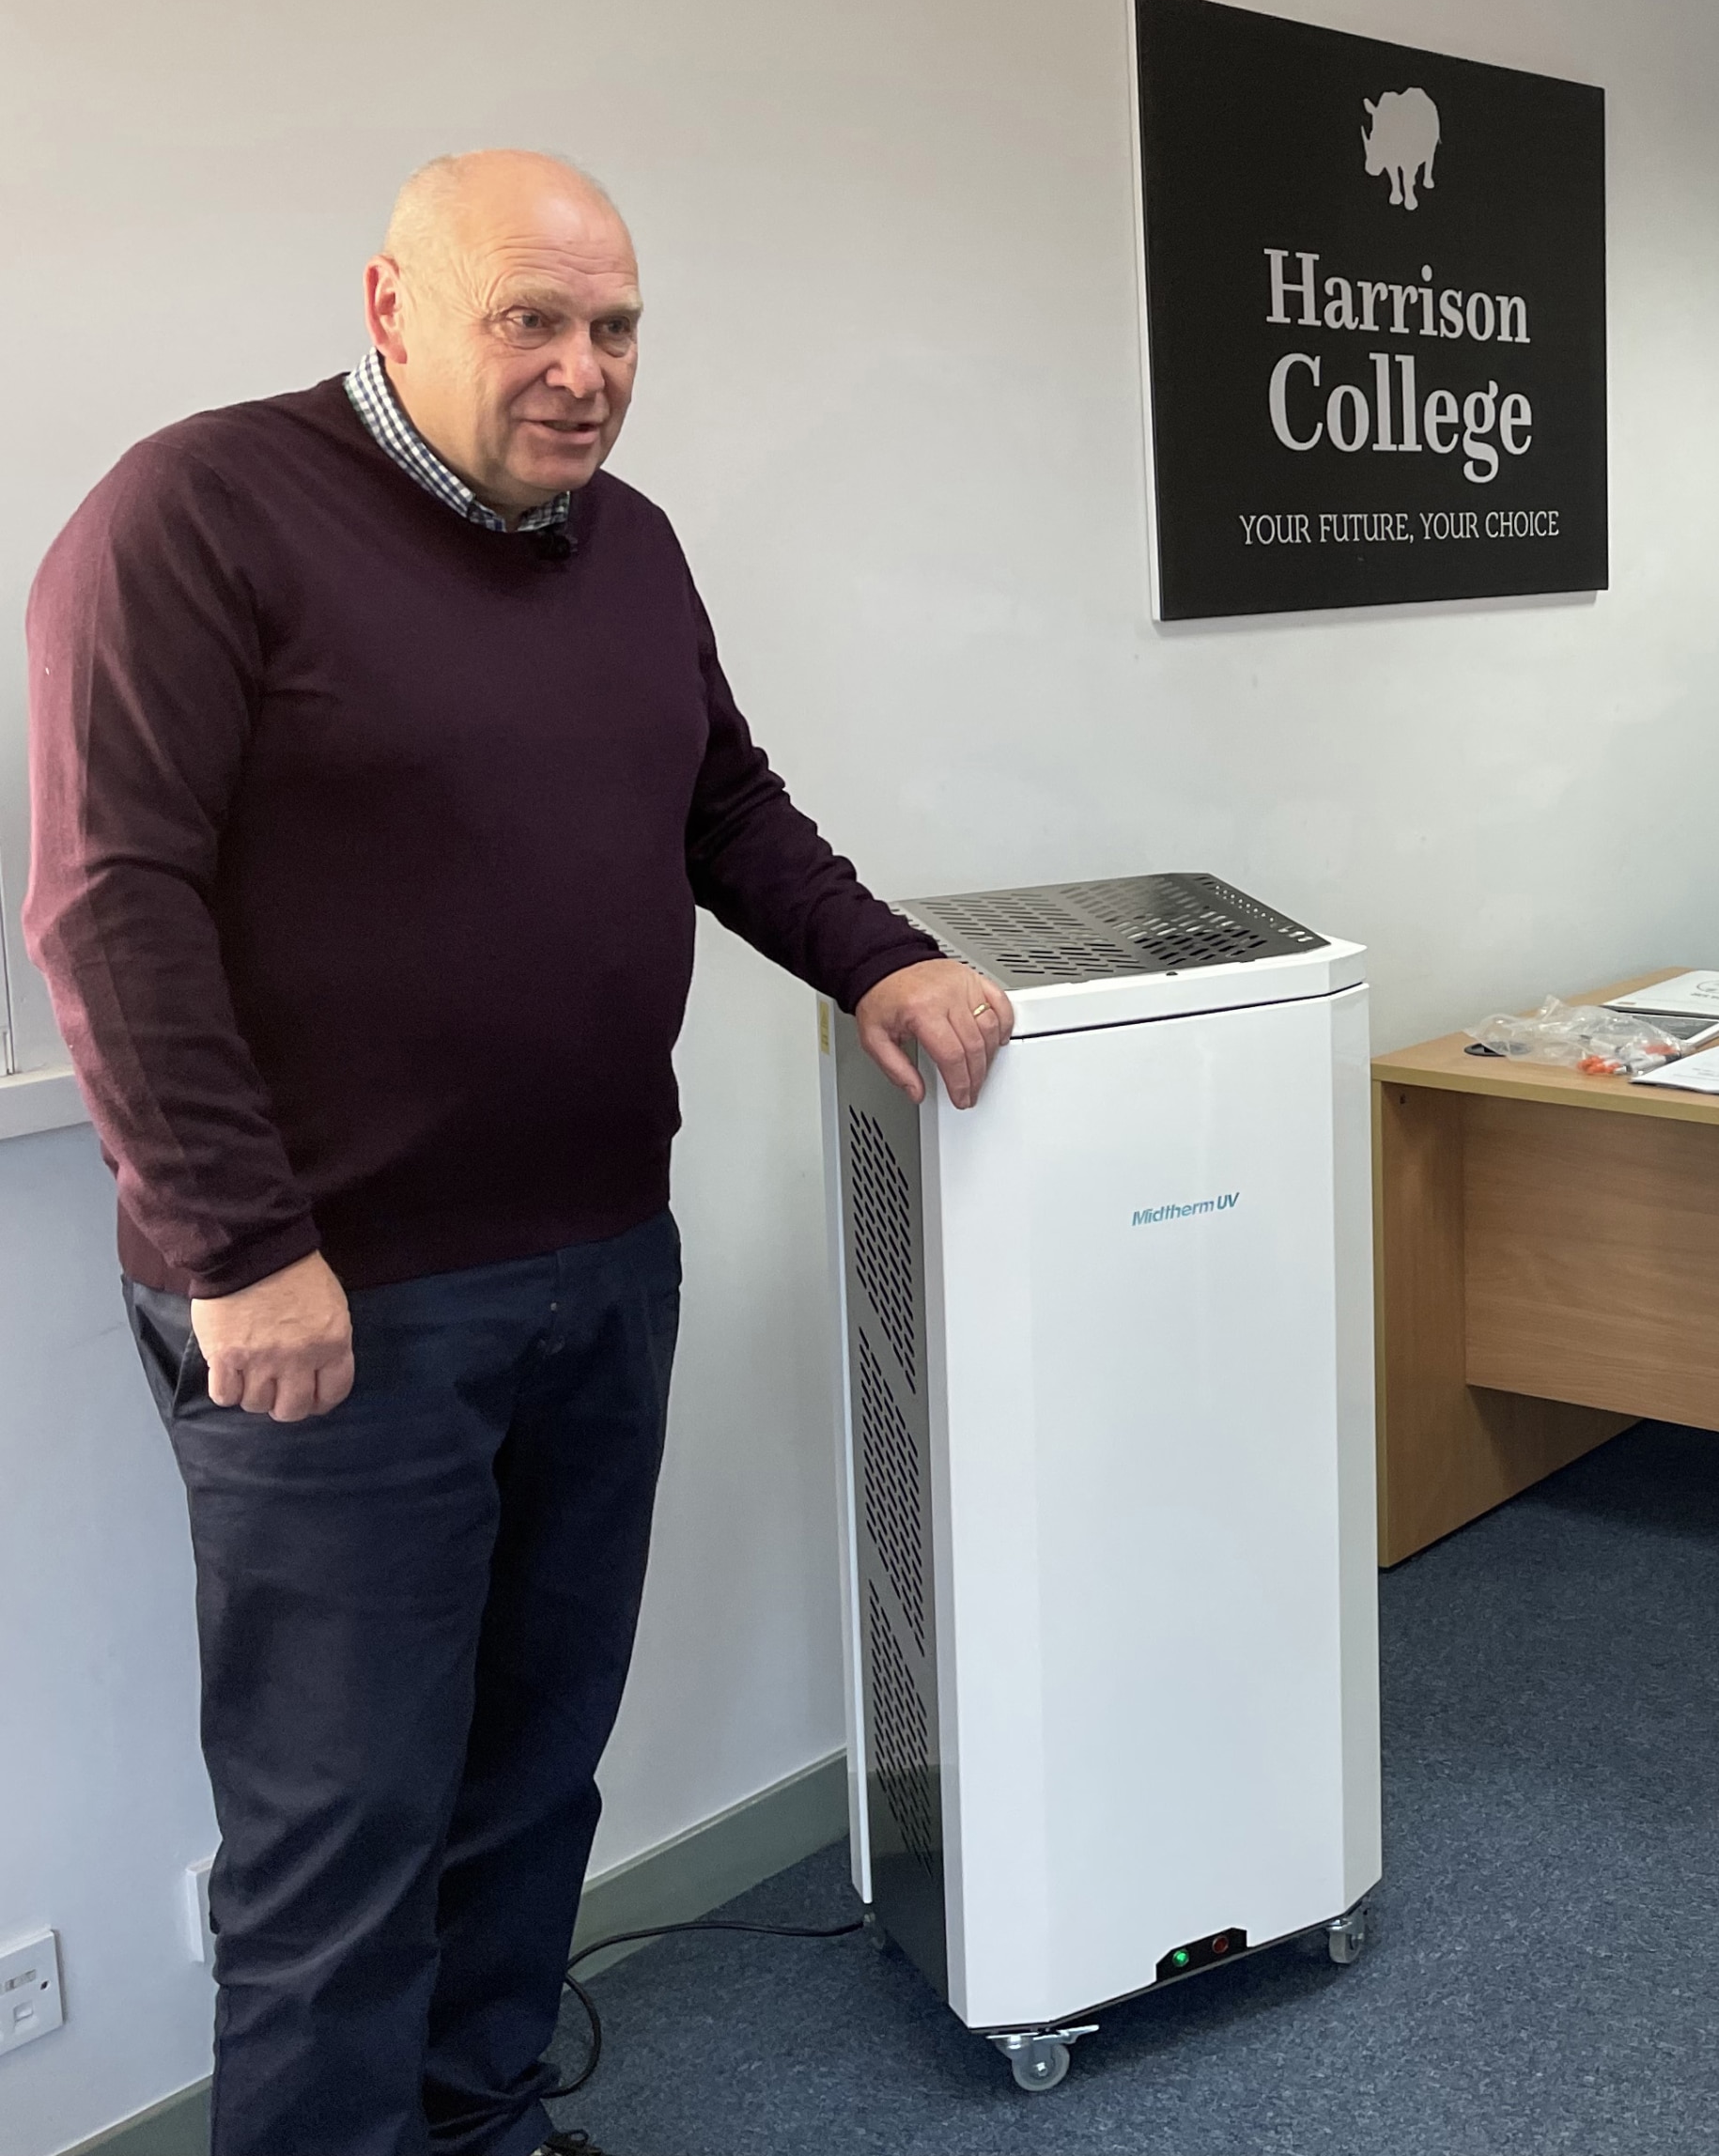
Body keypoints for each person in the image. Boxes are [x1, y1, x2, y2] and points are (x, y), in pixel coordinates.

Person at [23, 149, 1013, 2156]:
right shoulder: (197, 514)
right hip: (332, 1302)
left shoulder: (626, 545)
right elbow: (107, 899)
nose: (585, 369)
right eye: (532, 321)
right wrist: (235, 1240)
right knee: (340, 1833)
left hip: (591, 1263)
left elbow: (725, 808)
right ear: (391, 309)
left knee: (533, 1769)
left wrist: (883, 958)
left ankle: (478, 2121)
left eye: (618, 325)